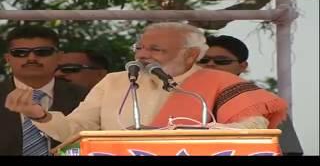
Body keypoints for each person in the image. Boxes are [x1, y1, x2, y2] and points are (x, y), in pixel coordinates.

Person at [5, 22, 287, 146]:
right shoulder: (116, 81)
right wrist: (40, 116)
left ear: (190, 54)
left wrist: (176, 135)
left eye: (155, 50)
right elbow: (78, 129)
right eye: (139, 47)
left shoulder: (217, 82)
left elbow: (251, 129)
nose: (142, 55)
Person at [198, 34, 303, 155]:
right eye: (203, 60)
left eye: (222, 61)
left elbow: (290, 151)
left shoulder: (262, 103)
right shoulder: (181, 96)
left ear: (242, 66)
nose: (210, 64)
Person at [0, 25, 89, 155]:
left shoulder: (84, 96)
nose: (31, 58)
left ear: (59, 57)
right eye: (20, 53)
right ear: (8, 58)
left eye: (42, 52)